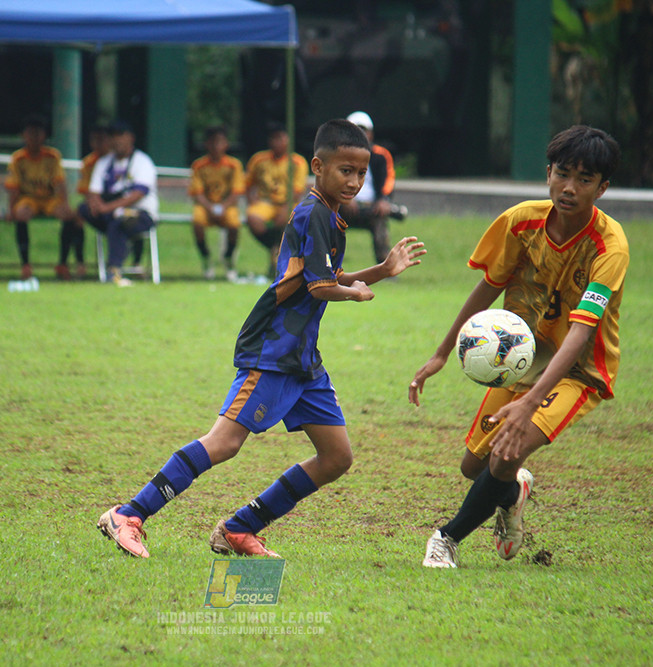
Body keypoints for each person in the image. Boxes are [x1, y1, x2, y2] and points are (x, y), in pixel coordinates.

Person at [97, 118, 427, 558]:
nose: (355, 181)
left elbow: (331, 276)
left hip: (302, 358)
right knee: (224, 442)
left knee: (336, 457)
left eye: (362, 173)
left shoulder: (330, 216)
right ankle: (129, 513)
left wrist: (381, 272)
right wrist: (353, 293)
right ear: (318, 166)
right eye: (345, 170)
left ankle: (239, 528)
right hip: (273, 350)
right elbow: (322, 287)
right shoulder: (312, 213)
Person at [408, 125, 626, 569]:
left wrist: (529, 402)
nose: (569, 187)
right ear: (548, 172)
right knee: (476, 466)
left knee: (508, 451)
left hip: (580, 369)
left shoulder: (609, 246)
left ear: (602, 187)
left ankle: (446, 539)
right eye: (562, 173)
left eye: (584, 179)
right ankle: (513, 493)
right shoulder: (521, 221)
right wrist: (441, 353)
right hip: (521, 359)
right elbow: (489, 286)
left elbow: (582, 333)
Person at [78, 120, 158, 287]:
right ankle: (113, 267)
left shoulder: (142, 162)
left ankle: (114, 269)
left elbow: (137, 194)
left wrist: (107, 208)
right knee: (84, 209)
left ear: (131, 138)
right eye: (113, 136)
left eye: (120, 135)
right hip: (109, 214)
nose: (117, 140)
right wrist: (96, 204)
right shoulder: (104, 162)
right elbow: (94, 191)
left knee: (119, 221)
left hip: (140, 213)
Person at [4, 113, 76, 280]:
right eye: (30, 133)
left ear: (44, 135)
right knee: (21, 214)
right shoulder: (18, 158)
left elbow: (60, 183)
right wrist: (10, 209)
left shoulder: (52, 156)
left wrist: (65, 204)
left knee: (68, 215)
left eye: (38, 133)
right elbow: (13, 187)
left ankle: (62, 264)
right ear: (24, 135)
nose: (34, 137)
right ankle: (25, 265)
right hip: (28, 198)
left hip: (49, 199)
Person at [341, 111, 408, 264]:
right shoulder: (338, 155)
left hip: (372, 207)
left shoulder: (381, 155)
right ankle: (326, 265)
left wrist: (383, 200)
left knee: (380, 222)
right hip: (343, 206)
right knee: (326, 218)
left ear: (370, 133)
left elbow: (388, 180)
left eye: (363, 130)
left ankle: (385, 267)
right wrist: (345, 199)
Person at [244, 124, 308, 275]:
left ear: (288, 140)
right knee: (253, 218)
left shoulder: (297, 161)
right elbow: (247, 183)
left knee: (287, 218)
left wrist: (286, 207)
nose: (277, 142)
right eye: (274, 138)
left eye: (281, 138)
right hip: (266, 202)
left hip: (288, 202)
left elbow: (297, 191)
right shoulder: (259, 160)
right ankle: (275, 247)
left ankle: (279, 256)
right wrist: (251, 200)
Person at [188, 125, 246, 281]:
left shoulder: (234, 165)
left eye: (220, 142)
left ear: (226, 144)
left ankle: (228, 257)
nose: (216, 146)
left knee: (234, 224)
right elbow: (197, 193)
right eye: (212, 142)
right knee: (197, 221)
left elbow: (236, 192)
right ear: (206, 144)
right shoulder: (199, 165)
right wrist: (210, 207)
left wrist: (222, 207)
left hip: (226, 206)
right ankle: (206, 257)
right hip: (206, 206)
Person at [58, 125, 111, 281]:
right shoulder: (89, 162)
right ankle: (74, 263)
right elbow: (86, 190)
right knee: (75, 217)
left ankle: (134, 262)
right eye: (94, 140)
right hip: (95, 205)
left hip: (115, 204)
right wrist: (94, 205)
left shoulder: (115, 160)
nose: (98, 144)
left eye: (101, 140)